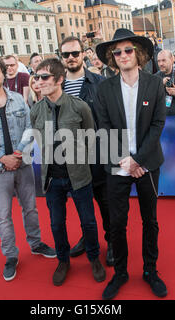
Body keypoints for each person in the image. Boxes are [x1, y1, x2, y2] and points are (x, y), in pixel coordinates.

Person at [0, 55, 56, 282]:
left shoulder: (17, 100)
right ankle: (11, 256)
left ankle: (35, 243)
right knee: (3, 215)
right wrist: (1, 158)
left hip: (22, 164)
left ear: (3, 73)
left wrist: (17, 155)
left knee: (31, 208)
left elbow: (29, 128)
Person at [95, 28, 167, 299]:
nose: (123, 55)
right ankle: (120, 273)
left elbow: (158, 124)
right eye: (117, 52)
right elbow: (104, 127)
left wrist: (138, 160)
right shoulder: (104, 89)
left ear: (138, 54)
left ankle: (150, 270)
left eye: (128, 50)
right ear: (113, 58)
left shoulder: (154, 84)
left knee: (150, 219)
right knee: (117, 221)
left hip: (147, 163)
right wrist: (125, 161)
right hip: (117, 163)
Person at [30, 58, 106, 286]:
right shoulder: (35, 111)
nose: (39, 81)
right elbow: (39, 141)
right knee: (56, 224)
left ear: (59, 79)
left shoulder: (80, 107)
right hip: (52, 180)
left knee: (89, 222)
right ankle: (63, 261)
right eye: (36, 77)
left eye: (45, 77)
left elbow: (91, 139)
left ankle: (94, 258)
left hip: (79, 176)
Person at [60, 36, 113, 267]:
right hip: (69, 157)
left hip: (97, 154)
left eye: (75, 53)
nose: (71, 58)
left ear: (84, 54)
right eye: (66, 55)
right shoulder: (56, 85)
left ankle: (112, 242)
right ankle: (88, 238)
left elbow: (109, 119)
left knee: (105, 203)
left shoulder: (100, 83)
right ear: (61, 58)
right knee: (82, 204)